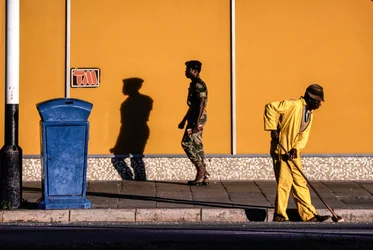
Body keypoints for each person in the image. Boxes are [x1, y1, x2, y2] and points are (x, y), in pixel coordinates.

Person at [264, 84, 331, 222]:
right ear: (310, 98)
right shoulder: (292, 104)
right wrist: (272, 128)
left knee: (300, 183)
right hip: (281, 148)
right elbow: (270, 107)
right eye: (318, 101)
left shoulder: (309, 113)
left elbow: (303, 135)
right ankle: (280, 214)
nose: (319, 104)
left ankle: (309, 214)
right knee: (285, 182)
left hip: (292, 151)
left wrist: (296, 149)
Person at [178, 60, 209, 185]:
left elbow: (201, 103)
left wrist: (196, 122)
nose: (185, 71)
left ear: (194, 71)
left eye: (188, 69)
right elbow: (193, 105)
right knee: (197, 145)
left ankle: (200, 170)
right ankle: (205, 175)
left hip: (198, 117)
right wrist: (184, 120)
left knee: (186, 143)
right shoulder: (193, 84)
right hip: (194, 116)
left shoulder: (199, 85)